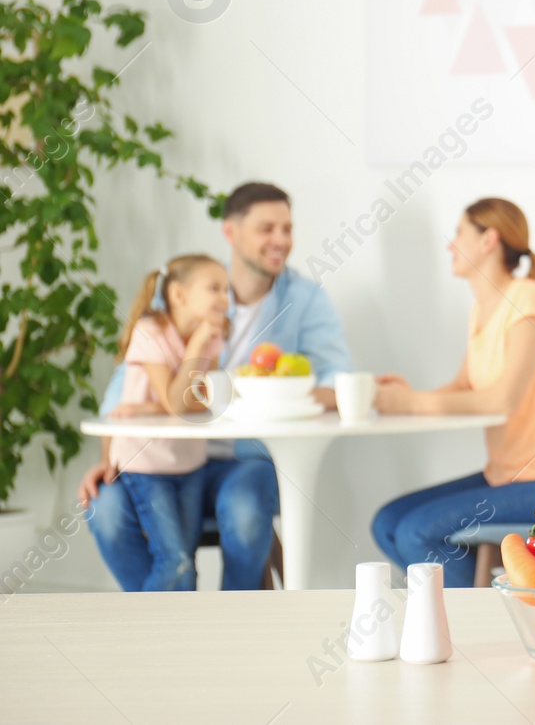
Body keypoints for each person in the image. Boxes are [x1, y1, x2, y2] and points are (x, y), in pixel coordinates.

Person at [81, 182, 356, 591]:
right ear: (231, 232)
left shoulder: (304, 299)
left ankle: (236, 626)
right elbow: (126, 386)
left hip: (244, 461)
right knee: (104, 509)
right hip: (160, 458)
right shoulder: (192, 289)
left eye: (287, 228)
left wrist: (259, 397)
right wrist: (109, 456)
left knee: (244, 512)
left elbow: (338, 383)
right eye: (267, 228)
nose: (281, 240)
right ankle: (161, 626)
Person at [370, 198, 535, 588]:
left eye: (459, 233)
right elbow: (464, 387)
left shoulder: (527, 297)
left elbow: (501, 400)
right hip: (503, 475)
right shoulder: (482, 310)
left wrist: (412, 404)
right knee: (388, 523)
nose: (450, 245)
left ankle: (470, 622)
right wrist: (407, 400)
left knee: (415, 532)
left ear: (488, 240)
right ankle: (472, 605)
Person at [103, 255, 229, 591]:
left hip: (190, 462)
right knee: (177, 563)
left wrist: (152, 405)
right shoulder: (151, 331)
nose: (225, 299)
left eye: (227, 290)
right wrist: (197, 347)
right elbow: (179, 404)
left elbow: (202, 404)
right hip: (146, 463)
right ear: (178, 294)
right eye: (214, 288)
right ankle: (139, 633)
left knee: (186, 563)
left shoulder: (213, 336)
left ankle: (176, 640)